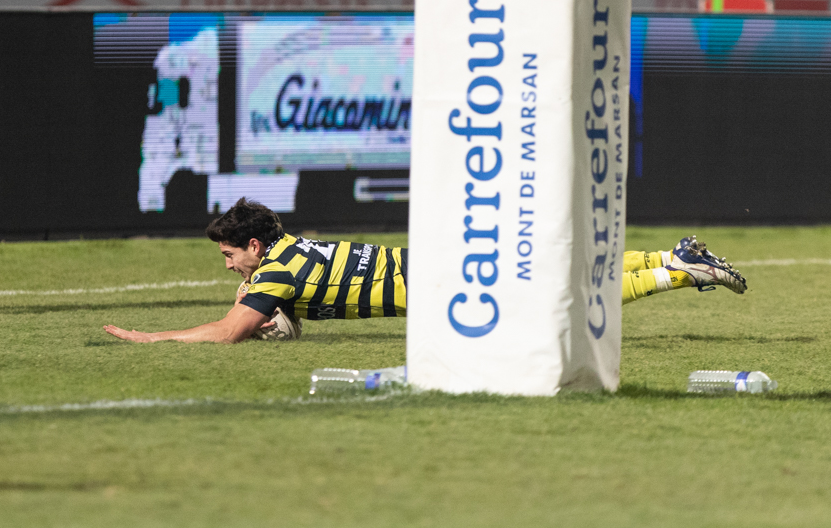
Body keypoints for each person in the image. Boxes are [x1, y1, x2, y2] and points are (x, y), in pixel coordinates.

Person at [102, 198, 747, 345]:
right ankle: (670, 258)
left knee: (563, 301)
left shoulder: (277, 272)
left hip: (448, 285)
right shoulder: (294, 249)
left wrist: (152, 337)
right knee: (562, 271)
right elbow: (281, 308)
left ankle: (679, 272)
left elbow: (227, 332)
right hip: (443, 265)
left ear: (251, 244)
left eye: (229, 255)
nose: (228, 266)